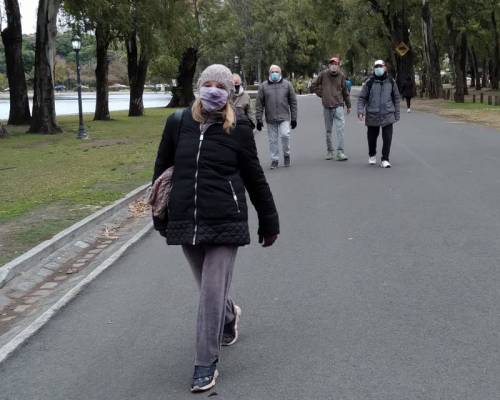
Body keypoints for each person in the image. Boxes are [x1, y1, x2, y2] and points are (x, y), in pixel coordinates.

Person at [152, 64, 280, 393]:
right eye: (206, 84)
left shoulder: (239, 128)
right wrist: (159, 212)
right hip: (186, 219)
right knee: (207, 286)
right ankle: (228, 316)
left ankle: (204, 362)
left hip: (226, 220)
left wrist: (269, 220)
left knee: (210, 291)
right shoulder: (178, 123)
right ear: (198, 88)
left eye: (219, 85)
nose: (212, 90)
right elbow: (162, 169)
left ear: (229, 92)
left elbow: (254, 177)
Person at [357, 59, 400, 168]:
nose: (378, 68)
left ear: (385, 67)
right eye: (376, 67)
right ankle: (372, 155)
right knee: (371, 138)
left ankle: (385, 159)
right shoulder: (369, 82)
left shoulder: (391, 81)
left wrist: (397, 114)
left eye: (380, 66)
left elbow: (396, 98)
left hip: (388, 114)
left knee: (387, 138)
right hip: (372, 114)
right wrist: (360, 111)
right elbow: (362, 98)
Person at [255, 64, 298, 169]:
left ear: (280, 73)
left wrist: (294, 118)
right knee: (272, 140)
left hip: (284, 117)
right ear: (269, 73)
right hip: (270, 118)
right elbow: (259, 104)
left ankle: (286, 155)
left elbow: (293, 102)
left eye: (276, 72)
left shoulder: (287, 85)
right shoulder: (264, 86)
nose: (274, 73)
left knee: (285, 135)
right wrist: (259, 119)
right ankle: (275, 159)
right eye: (272, 72)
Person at [313, 56, 352, 161]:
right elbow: (313, 86)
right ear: (329, 65)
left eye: (336, 64)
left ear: (338, 66)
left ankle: (340, 152)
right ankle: (330, 151)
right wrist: (322, 94)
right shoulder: (323, 74)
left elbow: (345, 92)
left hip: (338, 105)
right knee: (328, 130)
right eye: (332, 64)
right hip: (327, 106)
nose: (333, 66)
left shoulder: (341, 76)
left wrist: (349, 105)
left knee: (340, 130)